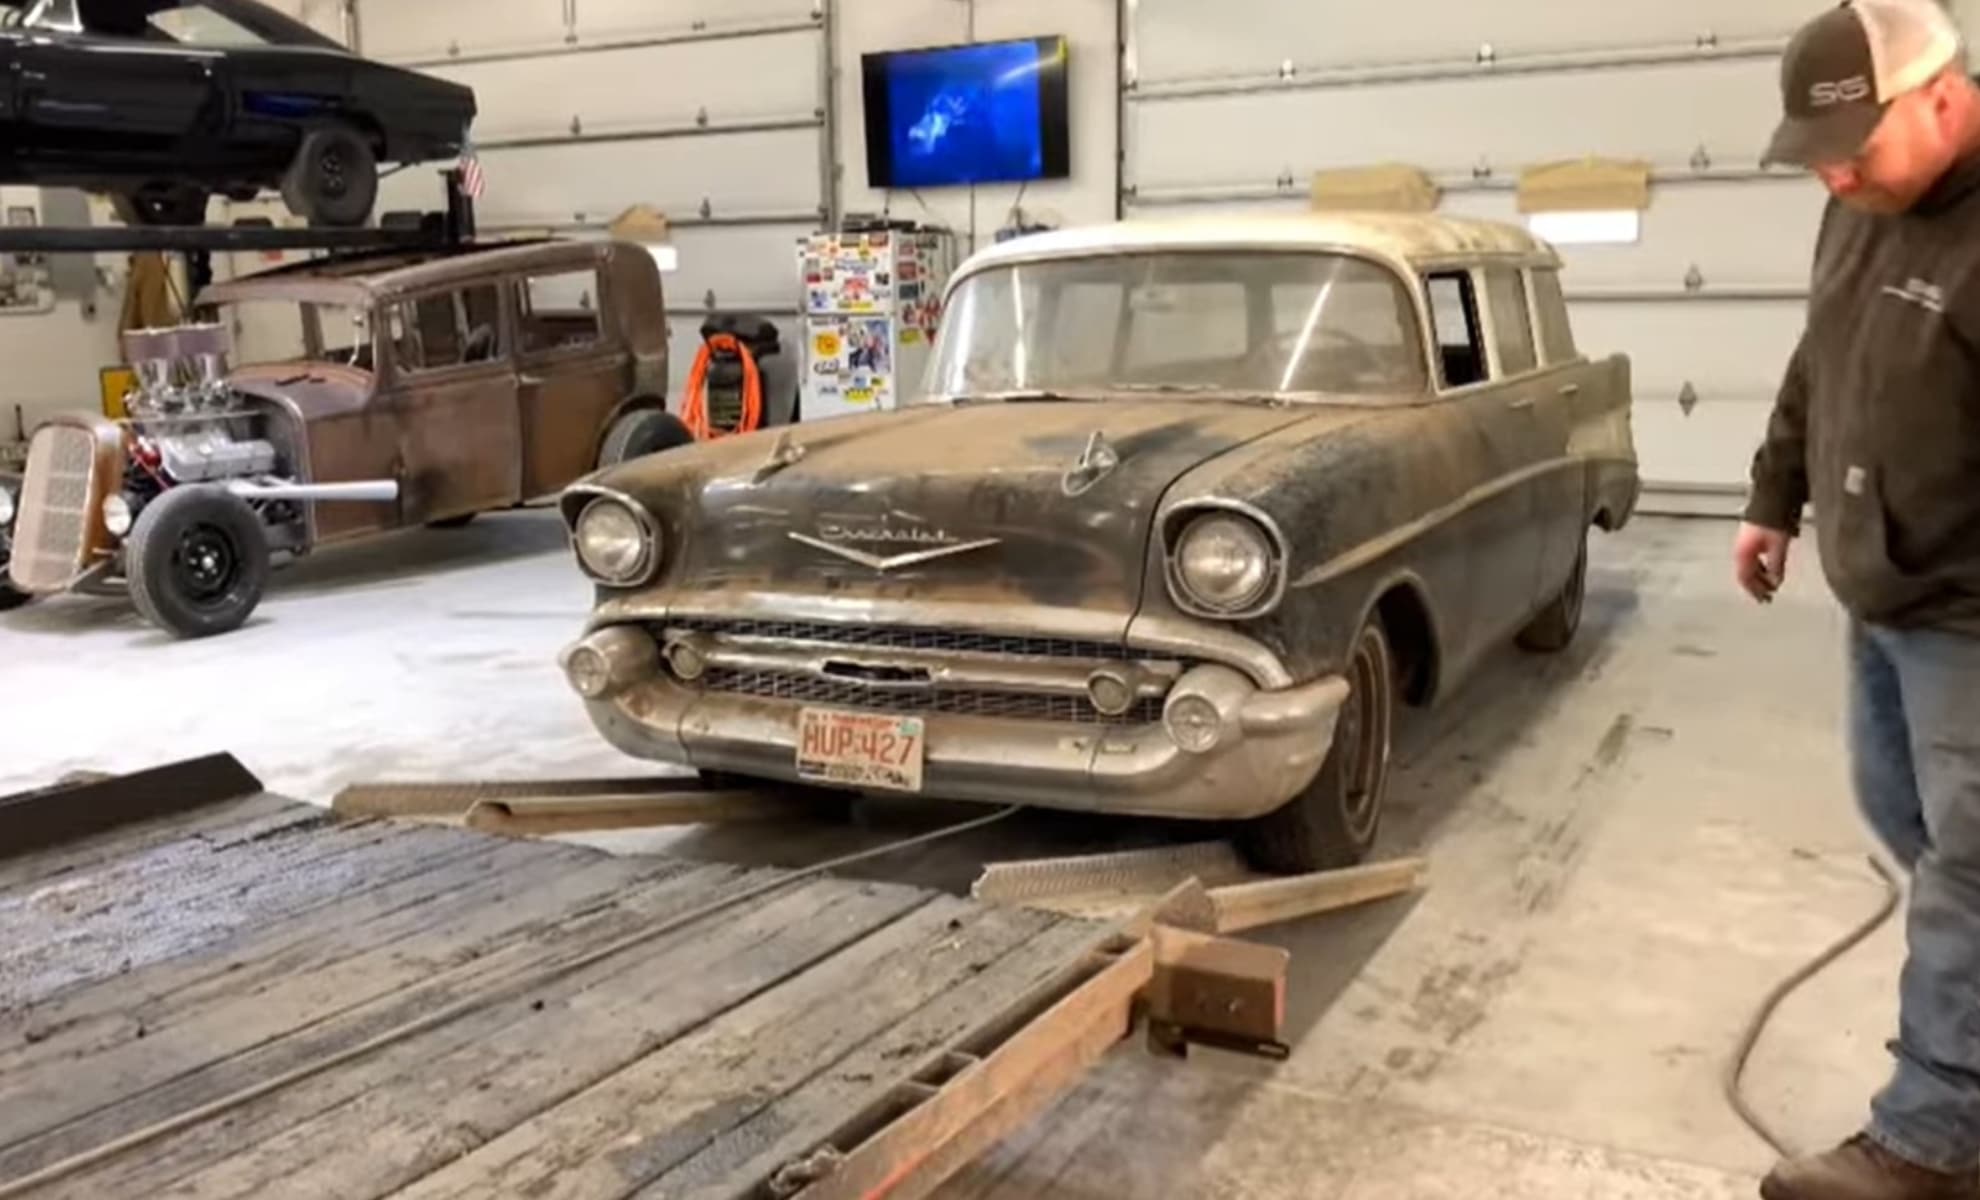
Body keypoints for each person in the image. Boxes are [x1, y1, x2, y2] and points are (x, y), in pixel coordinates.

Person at [1740, 2, 1980, 1197]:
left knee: (1971, 870)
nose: (1836, 173)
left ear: (1943, 95)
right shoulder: (1861, 204)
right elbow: (1818, 356)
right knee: (1912, 829)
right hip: (1879, 594)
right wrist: (1773, 496)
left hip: (1970, 615)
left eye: (1857, 148)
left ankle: (1932, 1143)